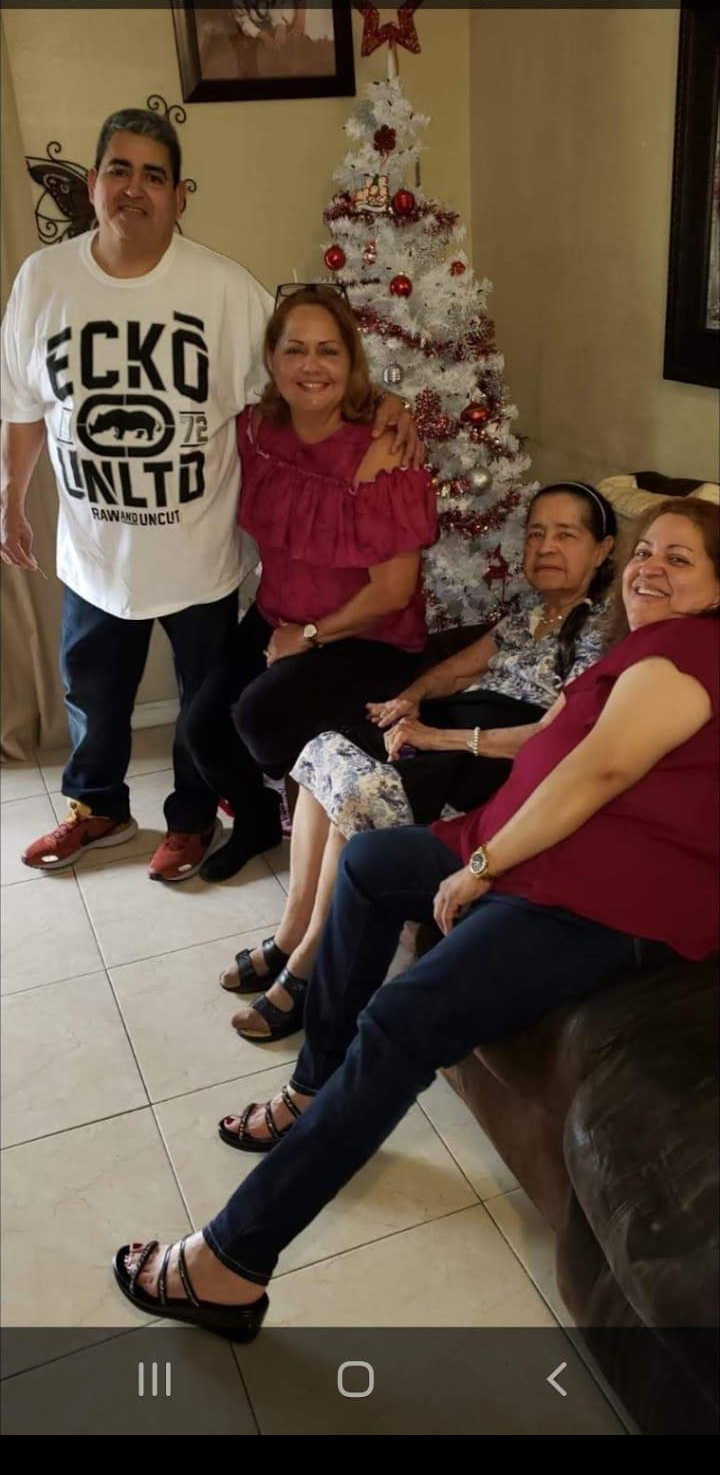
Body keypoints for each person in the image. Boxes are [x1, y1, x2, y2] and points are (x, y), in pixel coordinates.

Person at [113, 497, 719, 1332]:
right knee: (370, 865)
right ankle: (314, 1084)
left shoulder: (685, 655)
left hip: (599, 895)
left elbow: (597, 777)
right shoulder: (638, 647)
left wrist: (483, 864)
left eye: (680, 558)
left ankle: (230, 1262)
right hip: (533, 846)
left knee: (403, 1020)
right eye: (647, 550)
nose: (651, 566)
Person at [0, 108, 420, 882]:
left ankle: (190, 820)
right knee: (91, 690)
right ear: (92, 185)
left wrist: (384, 403)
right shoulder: (42, 280)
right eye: (119, 171)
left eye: (154, 175)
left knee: (200, 709)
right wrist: (10, 499)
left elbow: (305, 366)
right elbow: (24, 404)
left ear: (179, 195)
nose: (135, 189)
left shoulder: (223, 289)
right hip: (92, 550)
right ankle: (97, 806)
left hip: (196, 550)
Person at [224, 481, 616, 1043]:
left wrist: (437, 738)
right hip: (460, 732)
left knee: (359, 790)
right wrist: (412, 698)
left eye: (566, 535)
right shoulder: (530, 614)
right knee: (324, 751)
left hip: (501, 761)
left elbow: (550, 740)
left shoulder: (602, 633)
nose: (546, 547)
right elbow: (456, 670)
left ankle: (309, 968)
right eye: (536, 533)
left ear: (602, 551)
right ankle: (290, 935)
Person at [182, 284, 437, 901]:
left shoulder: (383, 449)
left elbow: (395, 589)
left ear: (351, 364)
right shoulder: (258, 429)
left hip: (367, 636)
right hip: (279, 615)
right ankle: (257, 820)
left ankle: (324, 801)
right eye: (295, 349)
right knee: (201, 729)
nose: (311, 366)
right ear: (271, 359)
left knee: (259, 715)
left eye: (328, 351)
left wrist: (311, 637)